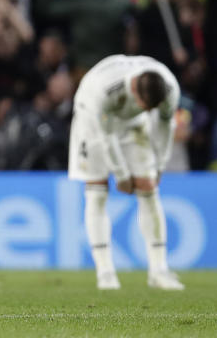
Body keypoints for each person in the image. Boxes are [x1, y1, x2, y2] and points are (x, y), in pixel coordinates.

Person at [68, 54, 185, 291]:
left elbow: (164, 126)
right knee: (97, 191)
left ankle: (159, 270)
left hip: (132, 124)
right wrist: (121, 175)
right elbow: (105, 136)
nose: (148, 109)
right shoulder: (103, 90)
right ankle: (105, 273)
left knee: (149, 187)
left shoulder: (169, 88)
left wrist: (160, 165)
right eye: (144, 105)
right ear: (134, 89)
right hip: (93, 121)